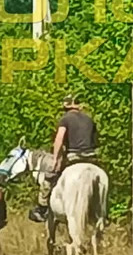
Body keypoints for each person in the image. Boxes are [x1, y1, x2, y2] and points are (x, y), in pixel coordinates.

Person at [29, 95, 98, 223]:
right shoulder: (89, 120)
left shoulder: (65, 119)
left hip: (74, 156)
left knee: (49, 178)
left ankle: (42, 208)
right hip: (91, 158)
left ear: (66, 107)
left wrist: (56, 159)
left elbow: (59, 139)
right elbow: (95, 142)